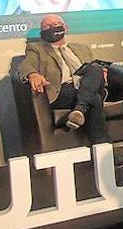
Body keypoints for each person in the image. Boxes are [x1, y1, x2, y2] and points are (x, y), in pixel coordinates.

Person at [17, 14, 109, 143]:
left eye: (56, 24)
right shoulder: (36, 49)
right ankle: (103, 149)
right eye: (47, 26)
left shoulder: (82, 48)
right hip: (62, 91)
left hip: (84, 85)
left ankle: (79, 109)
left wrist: (100, 74)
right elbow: (25, 65)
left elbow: (91, 71)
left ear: (65, 27)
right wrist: (33, 74)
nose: (52, 28)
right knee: (94, 98)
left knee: (95, 68)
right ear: (42, 32)